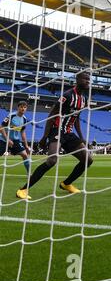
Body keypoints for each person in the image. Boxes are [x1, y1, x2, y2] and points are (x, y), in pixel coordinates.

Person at [16, 71, 93, 200]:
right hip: (56, 130)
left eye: (89, 79)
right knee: (52, 161)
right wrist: (45, 136)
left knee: (88, 160)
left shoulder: (84, 99)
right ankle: (23, 190)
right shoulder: (67, 95)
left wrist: (81, 137)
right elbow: (52, 114)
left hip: (68, 133)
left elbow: (76, 118)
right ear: (78, 79)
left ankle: (66, 184)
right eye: (85, 79)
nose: (88, 81)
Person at [0, 101, 31, 174]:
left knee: (25, 155)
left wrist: (26, 145)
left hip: (15, 141)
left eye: (25, 107)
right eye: (21, 107)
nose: (23, 108)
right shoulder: (11, 116)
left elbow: (23, 132)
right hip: (3, 139)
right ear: (18, 107)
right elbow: (1, 127)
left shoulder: (24, 119)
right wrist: (7, 139)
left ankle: (29, 173)